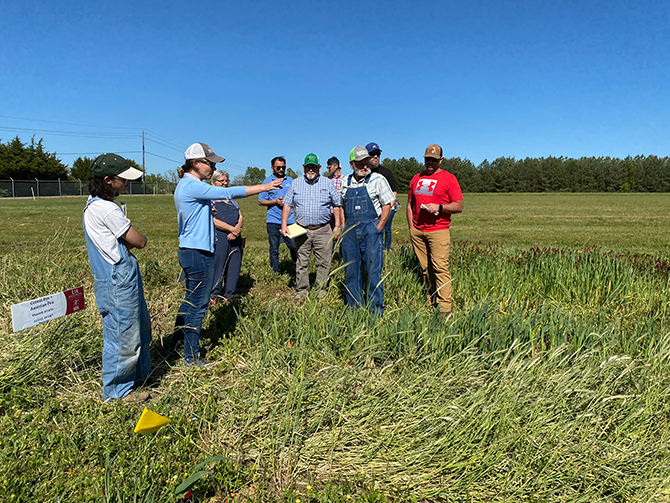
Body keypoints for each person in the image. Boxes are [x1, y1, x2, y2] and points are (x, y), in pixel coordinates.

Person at [172, 142, 282, 366]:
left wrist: (206, 211)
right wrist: (264, 187)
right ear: (195, 163)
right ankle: (191, 356)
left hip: (190, 250)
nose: (212, 167)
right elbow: (228, 192)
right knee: (199, 305)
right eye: (209, 162)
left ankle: (178, 342)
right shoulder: (192, 185)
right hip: (198, 253)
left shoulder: (187, 185)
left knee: (190, 301)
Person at [83, 153, 151, 402]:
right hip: (117, 279)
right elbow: (138, 241)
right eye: (125, 179)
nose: (128, 183)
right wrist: (140, 238)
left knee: (139, 328)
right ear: (109, 180)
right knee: (123, 335)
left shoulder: (94, 204)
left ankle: (139, 376)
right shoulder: (106, 209)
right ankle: (117, 392)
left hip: (119, 276)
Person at [407, 144, 463, 317]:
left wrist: (439, 206)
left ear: (441, 160)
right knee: (424, 268)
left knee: (440, 268)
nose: (430, 162)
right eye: (427, 159)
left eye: (434, 159)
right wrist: (411, 227)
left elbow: (459, 206)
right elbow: (410, 204)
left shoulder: (449, 179)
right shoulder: (416, 178)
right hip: (417, 230)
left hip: (438, 230)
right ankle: (431, 300)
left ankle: (444, 308)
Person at [338, 146, 394, 316]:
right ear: (351, 164)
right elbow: (340, 205)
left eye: (366, 162)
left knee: (373, 271)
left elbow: (387, 205)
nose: (364, 166)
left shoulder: (378, 179)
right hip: (350, 232)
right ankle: (354, 309)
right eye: (360, 163)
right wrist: (342, 226)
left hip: (371, 229)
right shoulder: (344, 182)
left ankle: (375, 311)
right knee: (351, 271)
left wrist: (378, 228)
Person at [281, 154, 342, 300]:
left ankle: (321, 291)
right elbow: (287, 205)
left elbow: (337, 204)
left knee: (324, 262)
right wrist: (284, 224)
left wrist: (338, 225)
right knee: (302, 262)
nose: (310, 170)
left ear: (319, 168)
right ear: (303, 167)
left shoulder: (327, 183)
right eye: (308, 167)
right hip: (301, 230)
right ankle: (301, 292)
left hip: (323, 229)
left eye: (313, 167)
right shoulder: (296, 183)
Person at [258, 156, 297, 273]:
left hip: (290, 220)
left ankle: (297, 269)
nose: (281, 169)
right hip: (273, 220)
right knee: (274, 248)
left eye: (283, 167)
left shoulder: (290, 181)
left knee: (294, 247)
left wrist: (288, 201)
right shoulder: (267, 182)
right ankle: (275, 272)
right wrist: (275, 202)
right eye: (278, 167)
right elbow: (261, 201)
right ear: (272, 168)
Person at [210, 170, 244, 304]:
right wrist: (232, 229)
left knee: (235, 265)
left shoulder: (231, 198)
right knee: (219, 264)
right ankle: (214, 294)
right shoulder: (210, 198)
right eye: (221, 181)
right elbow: (213, 220)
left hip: (236, 236)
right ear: (213, 182)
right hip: (220, 236)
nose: (225, 183)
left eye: (226, 181)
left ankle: (230, 294)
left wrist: (237, 229)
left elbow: (240, 215)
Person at [365, 142, 400, 251]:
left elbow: (394, 192)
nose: (376, 157)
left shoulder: (386, 172)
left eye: (378, 154)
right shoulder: (364, 172)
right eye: (372, 154)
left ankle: (386, 249)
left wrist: (387, 207)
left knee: (386, 228)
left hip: (388, 206)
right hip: (370, 208)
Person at [326, 156, 346, 230]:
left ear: (336, 166)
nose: (328, 169)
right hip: (330, 214)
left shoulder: (345, 179)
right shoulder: (327, 180)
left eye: (329, 167)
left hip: (341, 212)